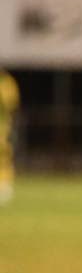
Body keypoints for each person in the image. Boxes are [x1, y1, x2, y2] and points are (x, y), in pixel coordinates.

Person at [0, 68, 19, 205]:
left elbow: (11, 104)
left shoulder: (6, 82)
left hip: (2, 126)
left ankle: (4, 185)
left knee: (3, 156)